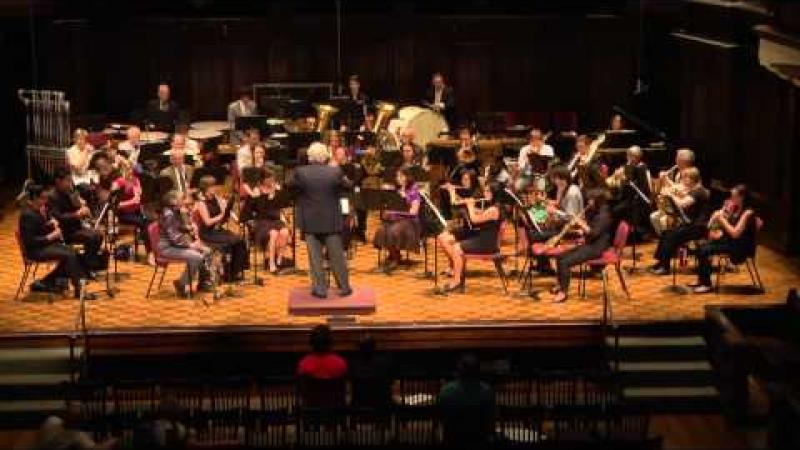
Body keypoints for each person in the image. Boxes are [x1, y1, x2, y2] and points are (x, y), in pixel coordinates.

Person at [288, 142, 352, 298]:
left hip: (310, 221)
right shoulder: (335, 172)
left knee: (315, 258)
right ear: (326, 156)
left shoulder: (300, 172)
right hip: (331, 220)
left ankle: (320, 289)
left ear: (310, 157)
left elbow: (289, 186)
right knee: (337, 256)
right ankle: (344, 287)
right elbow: (349, 186)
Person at [19, 184, 90, 299]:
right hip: (36, 250)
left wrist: (50, 223)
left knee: (73, 252)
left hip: (44, 245)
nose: (45, 201)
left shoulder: (38, 209)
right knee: (69, 256)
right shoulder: (27, 215)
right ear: (35, 199)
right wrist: (51, 236)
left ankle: (47, 282)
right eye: (42, 198)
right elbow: (30, 241)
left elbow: (40, 228)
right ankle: (79, 290)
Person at [437, 182, 504, 293]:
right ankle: (458, 278)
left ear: (494, 193)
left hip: (486, 242)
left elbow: (474, 220)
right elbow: (481, 214)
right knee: (453, 244)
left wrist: (470, 206)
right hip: (481, 237)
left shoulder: (494, 209)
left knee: (457, 248)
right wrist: (468, 206)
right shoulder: (492, 207)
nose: (485, 193)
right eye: (485, 190)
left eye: (488, 191)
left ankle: (457, 280)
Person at [691, 184, 758, 293]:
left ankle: (706, 284)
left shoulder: (747, 213)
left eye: (734, 196)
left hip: (740, 247)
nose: (731, 199)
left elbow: (735, 233)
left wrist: (722, 219)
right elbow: (725, 228)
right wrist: (719, 218)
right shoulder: (736, 208)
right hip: (731, 242)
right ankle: (702, 279)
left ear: (742, 197)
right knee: (701, 245)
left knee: (705, 250)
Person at [551, 188, 613, 303]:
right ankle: (561, 284)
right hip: (590, 243)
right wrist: (579, 228)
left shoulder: (604, 215)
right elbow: (590, 230)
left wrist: (580, 223)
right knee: (560, 256)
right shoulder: (597, 210)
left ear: (598, 200)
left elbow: (593, 233)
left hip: (596, 247)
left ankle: (563, 292)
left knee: (565, 262)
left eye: (591, 200)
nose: (589, 202)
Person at [649, 167, 710, 275]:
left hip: (698, 227)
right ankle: (661, 262)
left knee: (671, 236)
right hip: (691, 225)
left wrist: (670, 195)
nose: (682, 181)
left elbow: (682, 204)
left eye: (684, 178)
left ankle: (665, 267)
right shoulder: (694, 190)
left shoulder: (698, 191)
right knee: (665, 233)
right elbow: (682, 196)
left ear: (691, 179)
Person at [158, 189, 212, 297]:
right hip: (167, 248)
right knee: (197, 257)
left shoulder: (174, 210)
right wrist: (191, 245)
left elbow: (177, 228)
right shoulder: (168, 214)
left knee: (206, 251)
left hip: (175, 244)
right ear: (173, 201)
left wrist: (188, 228)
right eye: (181, 199)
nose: (183, 201)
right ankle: (181, 283)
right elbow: (174, 237)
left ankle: (203, 283)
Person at [49, 168, 104, 271]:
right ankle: (86, 266)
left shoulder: (69, 192)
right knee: (93, 237)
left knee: (99, 235)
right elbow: (58, 217)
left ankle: (85, 264)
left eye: (70, 180)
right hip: (65, 231)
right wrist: (76, 214)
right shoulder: (52, 196)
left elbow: (77, 207)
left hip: (76, 227)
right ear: (58, 181)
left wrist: (82, 206)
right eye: (67, 180)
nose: (70, 183)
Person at [194, 176, 247, 282]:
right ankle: (227, 273)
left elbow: (223, 213)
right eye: (212, 186)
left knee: (240, 240)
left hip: (216, 230)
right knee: (232, 241)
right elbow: (207, 222)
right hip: (207, 233)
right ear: (206, 188)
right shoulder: (201, 203)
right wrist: (221, 215)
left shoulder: (215, 198)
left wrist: (226, 208)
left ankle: (235, 272)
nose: (215, 188)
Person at [438, 353, 495, 449]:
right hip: (480, 442)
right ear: (478, 371)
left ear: (458, 371)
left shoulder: (446, 390)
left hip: (453, 442)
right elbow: (490, 421)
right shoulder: (487, 391)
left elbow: (441, 418)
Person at [373, 168, 422, 273]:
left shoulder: (414, 190)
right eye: (397, 176)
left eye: (401, 176)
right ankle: (395, 255)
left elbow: (414, 212)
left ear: (407, 177)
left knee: (393, 231)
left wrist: (404, 199)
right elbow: (389, 207)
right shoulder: (395, 190)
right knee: (382, 230)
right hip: (395, 219)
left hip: (409, 221)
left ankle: (395, 259)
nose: (398, 178)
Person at [242, 170, 290, 274]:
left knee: (285, 232)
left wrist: (278, 192)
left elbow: (283, 204)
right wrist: (267, 196)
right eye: (269, 179)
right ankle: (271, 263)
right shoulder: (257, 190)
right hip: (262, 221)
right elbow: (259, 210)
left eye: (273, 178)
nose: (272, 181)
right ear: (263, 180)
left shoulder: (277, 189)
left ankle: (279, 261)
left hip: (275, 219)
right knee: (273, 233)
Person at [111, 162, 154, 264]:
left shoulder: (136, 180)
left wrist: (137, 197)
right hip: (123, 214)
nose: (129, 172)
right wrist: (131, 201)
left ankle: (152, 252)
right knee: (144, 224)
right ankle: (150, 253)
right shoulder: (118, 182)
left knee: (150, 223)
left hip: (136, 212)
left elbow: (139, 197)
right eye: (126, 169)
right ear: (121, 170)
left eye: (130, 169)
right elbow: (113, 204)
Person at [650, 148, 695, 235]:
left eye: (677, 159)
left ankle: (670, 240)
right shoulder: (679, 173)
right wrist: (663, 182)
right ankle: (665, 239)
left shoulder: (691, 174)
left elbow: (680, 190)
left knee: (662, 220)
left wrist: (666, 180)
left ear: (683, 161)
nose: (675, 160)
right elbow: (676, 186)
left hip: (685, 207)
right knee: (654, 217)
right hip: (675, 205)